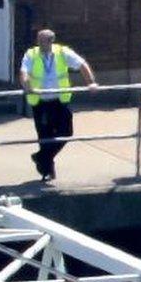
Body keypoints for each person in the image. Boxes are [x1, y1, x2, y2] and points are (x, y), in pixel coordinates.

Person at [19, 29, 98, 181]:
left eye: (43, 41)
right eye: (39, 40)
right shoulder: (31, 54)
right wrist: (27, 85)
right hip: (41, 102)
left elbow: (82, 64)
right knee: (45, 136)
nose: (40, 44)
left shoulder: (62, 52)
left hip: (59, 100)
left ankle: (41, 157)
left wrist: (91, 82)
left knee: (66, 132)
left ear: (51, 41)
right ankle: (47, 171)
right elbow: (24, 72)